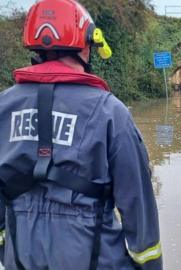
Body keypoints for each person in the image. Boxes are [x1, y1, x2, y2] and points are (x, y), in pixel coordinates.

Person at [0, 0, 162, 269]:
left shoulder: (3, 107)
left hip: (21, 258)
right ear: (87, 44)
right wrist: (151, 265)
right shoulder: (111, 112)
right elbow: (137, 206)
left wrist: (8, 247)